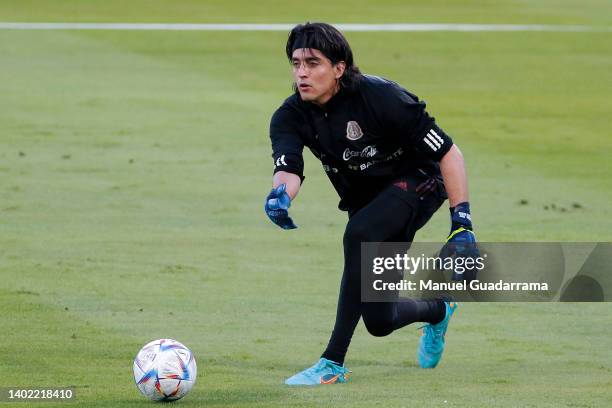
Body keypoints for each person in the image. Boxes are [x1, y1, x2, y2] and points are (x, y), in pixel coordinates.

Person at [264, 22, 477, 386]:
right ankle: (439, 309)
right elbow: (289, 169)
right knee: (380, 321)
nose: (302, 72)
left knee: (359, 234)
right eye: (296, 63)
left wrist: (462, 223)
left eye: (313, 63)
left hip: (422, 182)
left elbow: (448, 152)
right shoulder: (290, 115)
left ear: (339, 68)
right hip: (372, 203)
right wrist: (280, 195)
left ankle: (331, 363)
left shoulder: (382, 97)